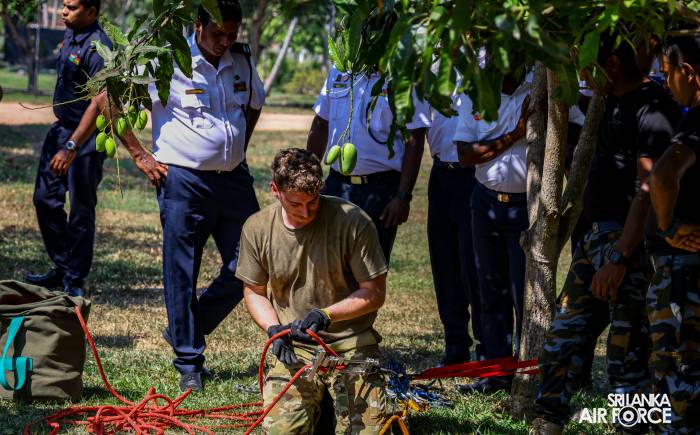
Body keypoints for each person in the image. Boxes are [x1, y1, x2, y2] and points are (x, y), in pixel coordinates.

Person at [110, 0, 265, 391]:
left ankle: (190, 324)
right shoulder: (166, 59)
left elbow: (254, 103)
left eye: (232, 34)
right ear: (197, 26)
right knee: (182, 270)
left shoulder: (241, 60)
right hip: (183, 181)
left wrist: (237, 147)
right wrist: (140, 155)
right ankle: (189, 362)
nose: (224, 42)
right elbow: (107, 99)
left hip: (234, 181)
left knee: (253, 260)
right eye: (217, 34)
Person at [532, 33, 681, 435]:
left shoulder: (653, 109)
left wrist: (620, 258)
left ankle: (633, 429)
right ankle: (549, 420)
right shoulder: (612, 98)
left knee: (626, 355)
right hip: (594, 240)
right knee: (563, 337)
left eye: (587, 64)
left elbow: (648, 192)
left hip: (629, 249)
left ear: (612, 63)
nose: (582, 74)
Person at [236, 148, 389, 434]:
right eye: (296, 204)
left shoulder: (353, 221)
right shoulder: (257, 228)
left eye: (313, 201)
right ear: (275, 190)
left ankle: (329, 406)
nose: (306, 212)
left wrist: (326, 315)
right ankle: (321, 408)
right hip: (297, 347)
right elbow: (254, 291)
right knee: (282, 431)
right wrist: (274, 329)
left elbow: (374, 292)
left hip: (351, 342)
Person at [453, 72, 533, 394]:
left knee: (525, 295)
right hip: (486, 203)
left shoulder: (539, 86)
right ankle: (497, 375)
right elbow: (465, 155)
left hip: (527, 208)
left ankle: (528, 373)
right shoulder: (476, 91)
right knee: (490, 291)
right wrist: (516, 134)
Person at [25, 0, 112, 297]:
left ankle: (74, 279)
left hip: (84, 139)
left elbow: (100, 102)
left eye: (71, 7)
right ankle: (63, 267)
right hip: (60, 131)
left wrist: (73, 145)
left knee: (81, 210)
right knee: (44, 199)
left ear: (91, 12)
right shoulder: (71, 34)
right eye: (63, 5)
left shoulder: (99, 47)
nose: (64, 11)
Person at [306, 67, 431, 262]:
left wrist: (403, 196)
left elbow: (414, 140)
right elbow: (321, 124)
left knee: (370, 267)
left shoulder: (404, 77)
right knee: (329, 263)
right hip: (337, 186)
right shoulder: (339, 71)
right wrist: (309, 177)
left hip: (381, 190)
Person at [646, 34, 700, 434]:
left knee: (676, 375)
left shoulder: (696, 121)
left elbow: (662, 176)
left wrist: (667, 226)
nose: (666, 84)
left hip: (683, 272)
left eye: (668, 74)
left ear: (689, 72)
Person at [426, 89, 483, 365]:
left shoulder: (483, 72)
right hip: (441, 173)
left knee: (475, 268)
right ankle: (455, 344)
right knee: (445, 265)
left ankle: (488, 349)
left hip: (474, 175)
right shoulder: (434, 70)